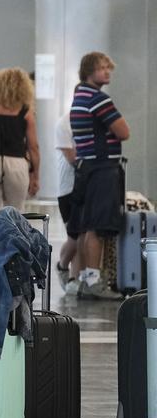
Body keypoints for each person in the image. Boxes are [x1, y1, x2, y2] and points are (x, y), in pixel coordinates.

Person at [69, 51, 129, 299]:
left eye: (108, 68)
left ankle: (85, 278)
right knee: (97, 226)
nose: (107, 72)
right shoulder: (98, 99)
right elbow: (124, 131)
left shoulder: (79, 96)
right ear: (89, 70)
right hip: (103, 168)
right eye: (102, 68)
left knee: (85, 227)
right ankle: (94, 280)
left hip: (86, 167)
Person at [0, 67, 40, 232]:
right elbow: (33, 146)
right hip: (17, 163)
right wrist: (35, 176)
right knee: (16, 213)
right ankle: (13, 255)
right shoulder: (25, 111)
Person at [54, 112, 81, 294]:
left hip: (86, 186)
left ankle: (75, 278)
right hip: (68, 189)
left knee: (83, 235)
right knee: (75, 236)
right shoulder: (64, 123)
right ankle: (63, 266)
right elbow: (73, 158)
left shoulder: (90, 120)